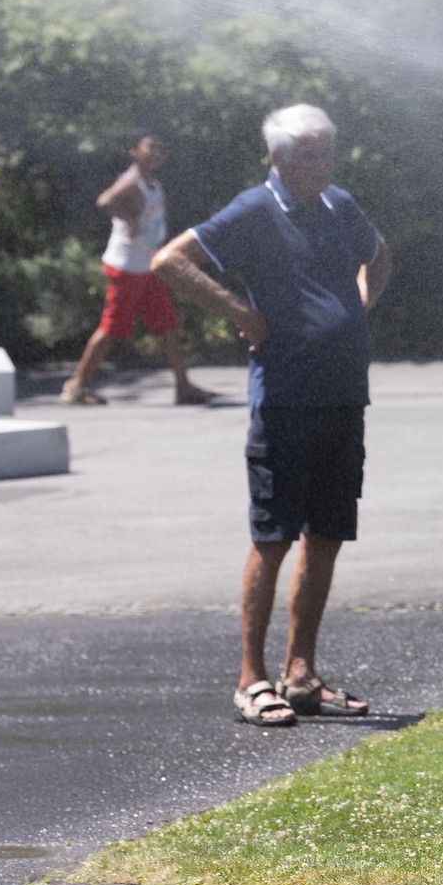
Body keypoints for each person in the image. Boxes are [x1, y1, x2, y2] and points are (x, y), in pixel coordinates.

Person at [151, 104, 394, 728]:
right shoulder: (255, 210)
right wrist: (241, 314)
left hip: (343, 394)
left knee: (328, 533)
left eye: (327, 152)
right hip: (285, 396)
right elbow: (170, 262)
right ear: (278, 160)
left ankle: (301, 674)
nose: (323, 164)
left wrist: (357, 308)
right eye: (309, 154)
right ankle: (251, 680)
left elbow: (380, 255)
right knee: (274, 536)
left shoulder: (340, 206)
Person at [61, 130, 214, 406]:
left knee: (166, 324)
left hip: (149, 267)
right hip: (128, 267)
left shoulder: (151, 183)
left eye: (161, 149)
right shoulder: (132, 182)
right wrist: (130, 221)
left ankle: (183, 386)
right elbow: (105, 201)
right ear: (134, 150)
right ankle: (75, 385)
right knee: (111, 328)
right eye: (151, 147)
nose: (157, 154)